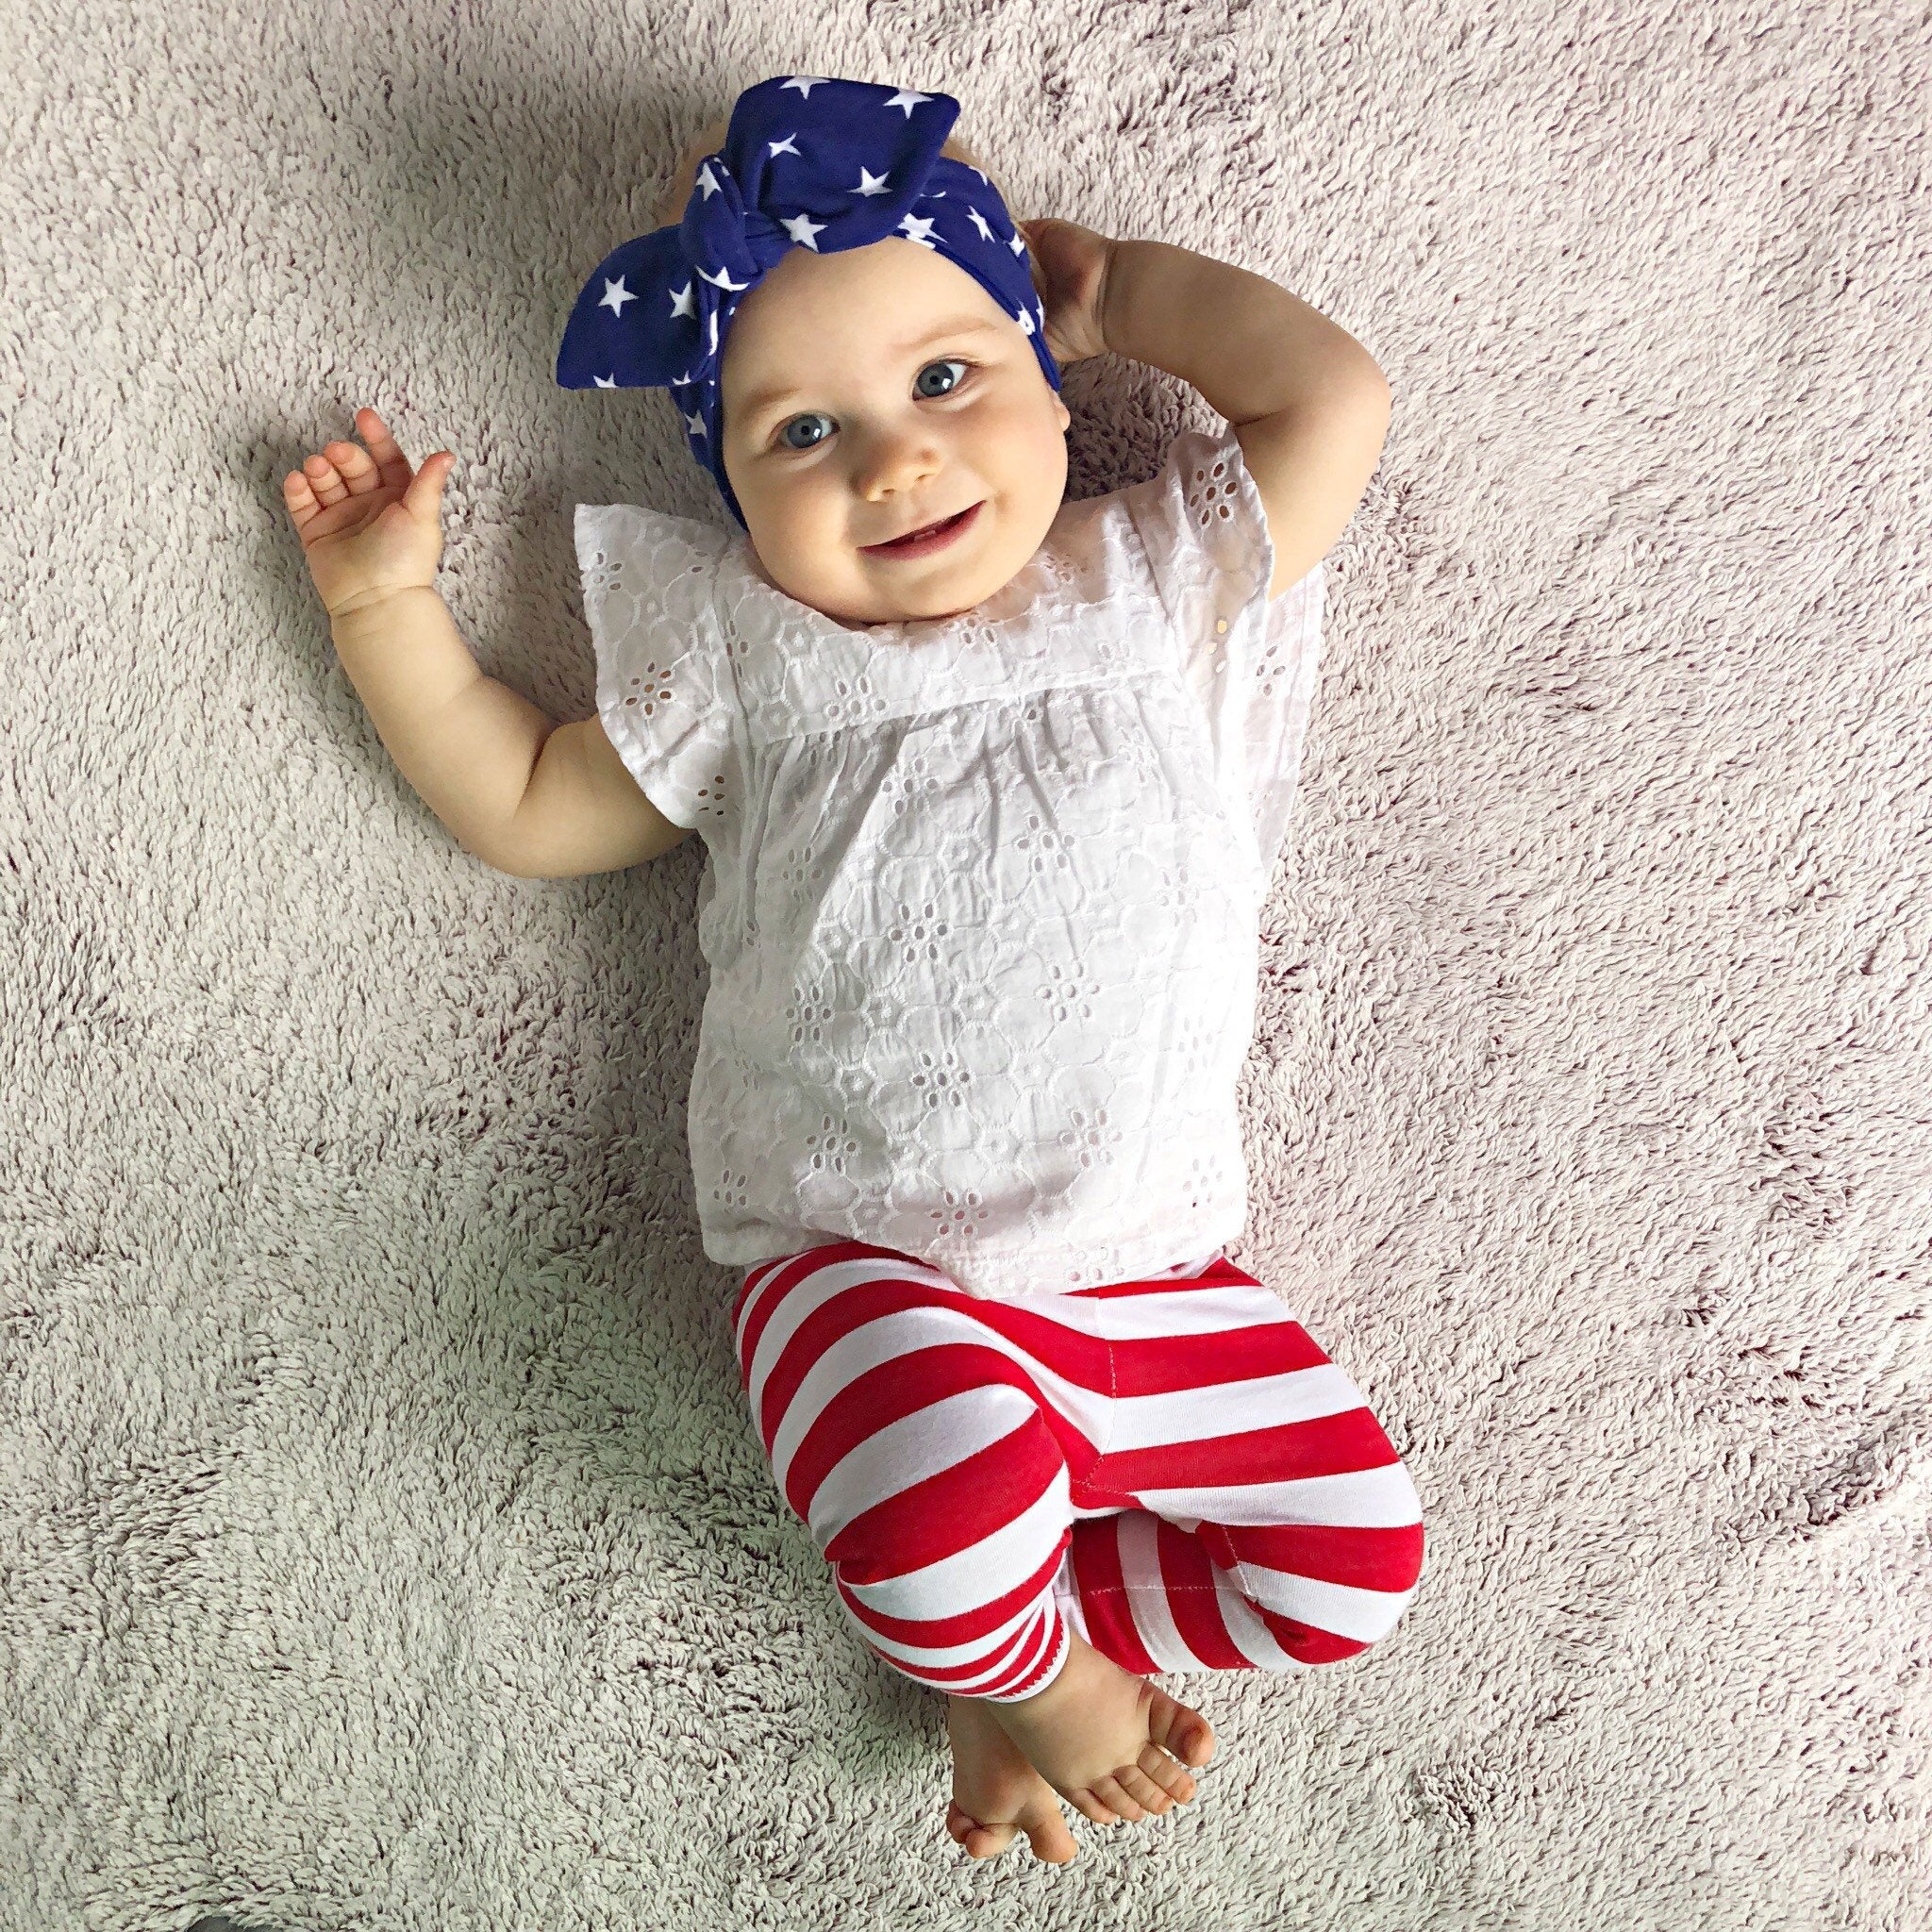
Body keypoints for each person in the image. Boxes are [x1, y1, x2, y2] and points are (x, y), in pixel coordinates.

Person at [280, 73, 1411, 1868]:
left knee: (1357, 1565)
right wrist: (381, 611)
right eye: (799, 435)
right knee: (927, 1481)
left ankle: (1010, 1640)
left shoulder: (1152, 573)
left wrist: (1115, 289)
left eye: (947, 381)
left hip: (1143, 1263)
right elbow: (521, 798)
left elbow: (1327, 394)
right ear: (726, 492)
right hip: (863, 1268)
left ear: (1052, 387)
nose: (891, 459)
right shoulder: (749, 657)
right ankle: (1021, 1668)